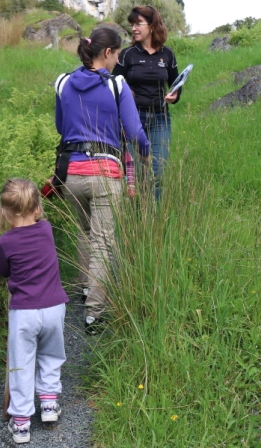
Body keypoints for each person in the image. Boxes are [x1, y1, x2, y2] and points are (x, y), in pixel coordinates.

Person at [55, 27, 150, 333]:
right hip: (105, 174)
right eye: (118, 53)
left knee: (84, 231)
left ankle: (85, 288)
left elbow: (61, 126)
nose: (118, 59)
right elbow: (135, 134)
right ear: (107, 52)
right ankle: (94, 313)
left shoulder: (63, 82)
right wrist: (146, 154)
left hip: (70, 175)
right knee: (103, 240)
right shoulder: (117, 85)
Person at [0, 178, 70, 445]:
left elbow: (4, 271)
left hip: (24, 313)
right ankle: (49, 405)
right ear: (38, 209)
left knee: (21, 364)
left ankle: (21, 423)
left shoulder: (5, 241)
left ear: (4, 212)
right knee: (51, 354)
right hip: (54, 308)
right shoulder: (47, 229)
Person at [112, 6, 182, 200]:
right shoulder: (127, 55)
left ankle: (154, 219)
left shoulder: (167, 55)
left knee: (157, 173)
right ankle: (137, 219)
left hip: (160, 119)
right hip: (134, 120)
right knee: (137, 176)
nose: (134, 28)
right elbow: (113, 85)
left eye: (138, 24)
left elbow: (176, 84)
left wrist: (174, 95)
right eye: (132, 24)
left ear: (152, 26)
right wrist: (127, 95)